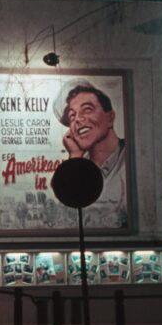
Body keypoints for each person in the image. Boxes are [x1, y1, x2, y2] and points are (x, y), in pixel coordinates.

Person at [53, 79, 128, 226]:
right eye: (72, 116)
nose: (78, 120)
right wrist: (75, 155)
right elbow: (69, 207)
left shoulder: (132, 157)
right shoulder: (79, 165)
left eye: (87, 109)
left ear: (110, 118)